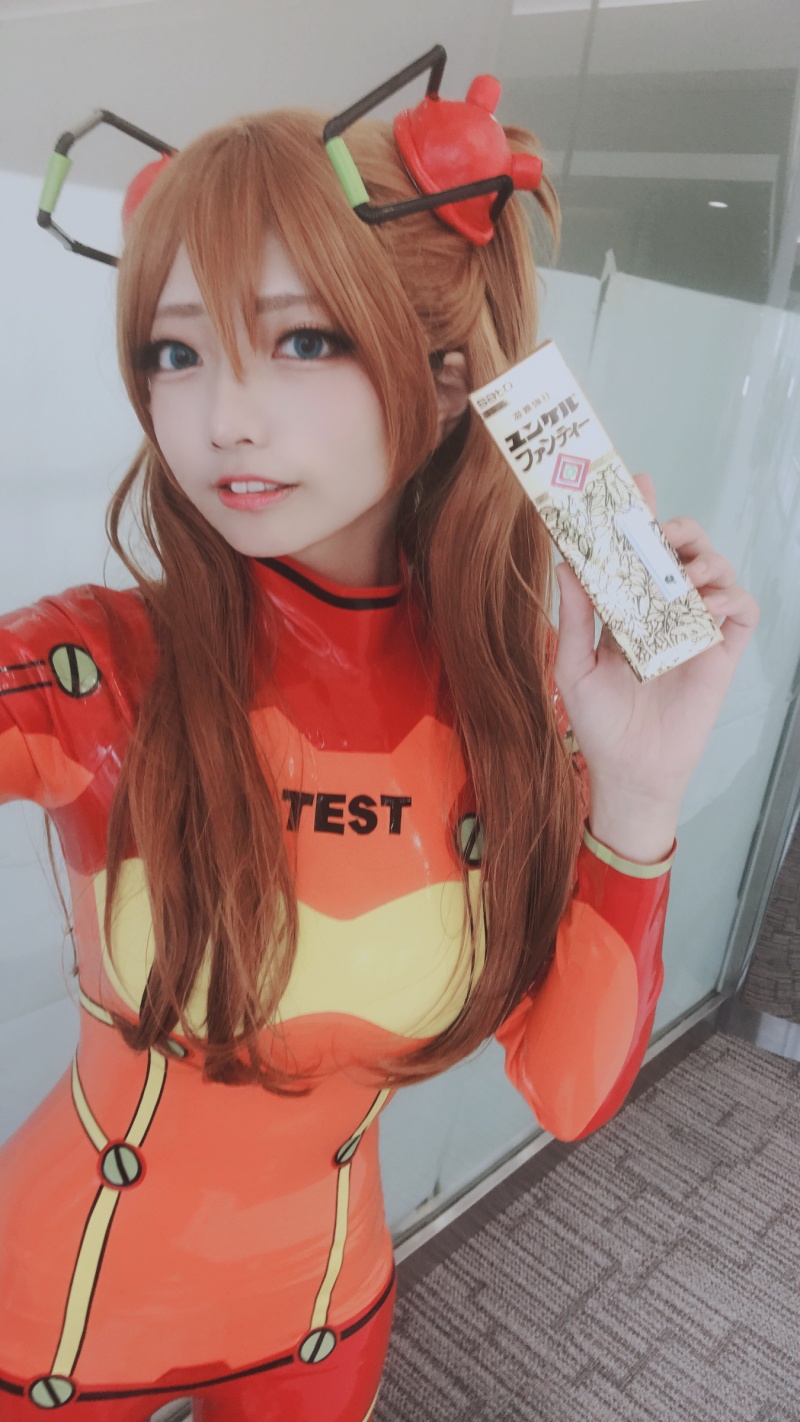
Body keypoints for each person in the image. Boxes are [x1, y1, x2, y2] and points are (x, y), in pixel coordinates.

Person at [0, 67, 759, 1422]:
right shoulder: (95, 669)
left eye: (300, 341)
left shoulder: (518, 707)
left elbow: (571, 1095)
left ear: (447, 375)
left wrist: (640, 792)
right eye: (176, 353)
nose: (222, 416)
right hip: (53, 1319)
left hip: (324, 1318)